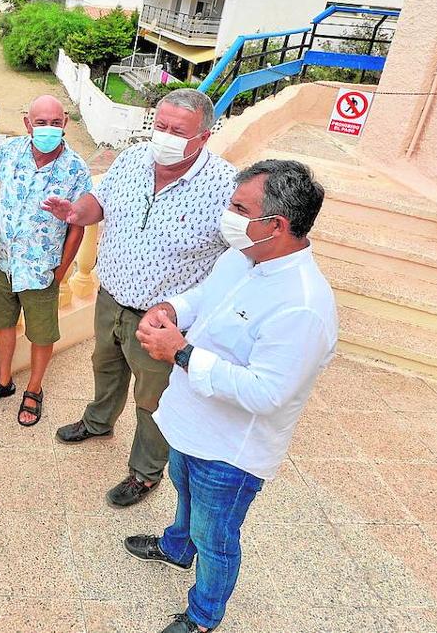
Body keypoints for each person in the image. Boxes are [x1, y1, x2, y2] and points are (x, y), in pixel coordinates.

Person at [125, 160, 336, 633]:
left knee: (216, 535)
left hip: (229, 451)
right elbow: (206, 297)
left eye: (240, 208)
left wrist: (179, 351)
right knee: (183, 490)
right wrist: (170, 309)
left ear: (276, 225)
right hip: (188, 421)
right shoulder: (243, 257)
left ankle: (203, 617)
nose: (228, 215)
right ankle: (177, 549)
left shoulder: (303, 306)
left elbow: (267, 393)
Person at [46, 88, 237, 508]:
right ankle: (98, 422)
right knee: (105, 367)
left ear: (204, 137)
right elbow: (101, 200)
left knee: (153, 399)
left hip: (162, 321)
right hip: (111, 297)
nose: (164, 136)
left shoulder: (225, 186)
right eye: (161, 126)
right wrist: (78, 212)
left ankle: (145, 472)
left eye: (177, 131)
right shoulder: (133, 159)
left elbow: (237, 262)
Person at [0, 95, 91, 427]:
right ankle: (4, 380)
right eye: (40, 123)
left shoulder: (76, 169)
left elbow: (78, 224)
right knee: (3, 324)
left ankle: (34, 389)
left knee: (42, 335)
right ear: (28, 123)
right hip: (3, 259)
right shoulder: (10, 151)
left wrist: (62, 270)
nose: (48, 129)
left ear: (65, 124)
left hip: (43, 270)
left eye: (55, 123)